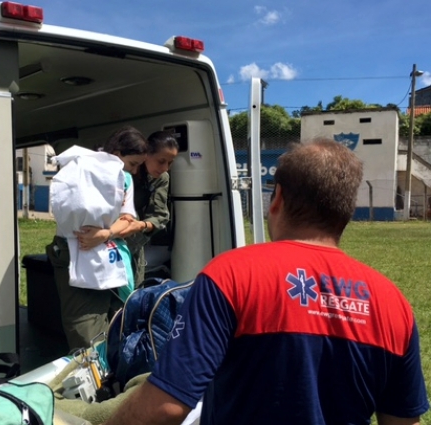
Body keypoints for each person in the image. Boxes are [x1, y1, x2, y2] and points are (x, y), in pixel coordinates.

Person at [102, 139, 429, 425]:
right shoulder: (391, 302)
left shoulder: (231, 276)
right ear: (347, 210)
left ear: (278, 198)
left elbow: (165, 407)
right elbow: (403, 421)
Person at [46, 126, 148, 350]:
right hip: (74, 251)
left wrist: (104, 234)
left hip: (108, 254)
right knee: (85, 329)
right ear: (117, 153)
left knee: (115, 322)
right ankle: (95, 378)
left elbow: (127, 218)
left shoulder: (125, 180)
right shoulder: (80, 169)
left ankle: (111, 375)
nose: (134, 171)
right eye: (133, 164)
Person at [119, 130, 179, 286]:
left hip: (134, 241)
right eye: (161, 161)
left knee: (131, 290)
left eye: (170, 163)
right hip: (107, 239)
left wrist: (142, 225)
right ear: (146, 154)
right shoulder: (124, 172)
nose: (165, 168)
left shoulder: (160, 178)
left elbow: (159, 214)